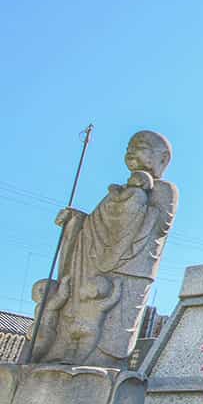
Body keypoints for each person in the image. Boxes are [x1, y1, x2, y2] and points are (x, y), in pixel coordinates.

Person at [32, 131, 178, 368]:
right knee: (74, 309)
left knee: (109, 333)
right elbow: (95, 225)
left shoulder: (163, 189)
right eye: (129, 147)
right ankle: (62, 353)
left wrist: (136, 199)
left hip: (129, 269)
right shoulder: (115, 193)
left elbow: (160, 226)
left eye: (140, 147)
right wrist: (75, 221)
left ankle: (95, 363)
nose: (131, 152)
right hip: (91, 263)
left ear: (162, 159)